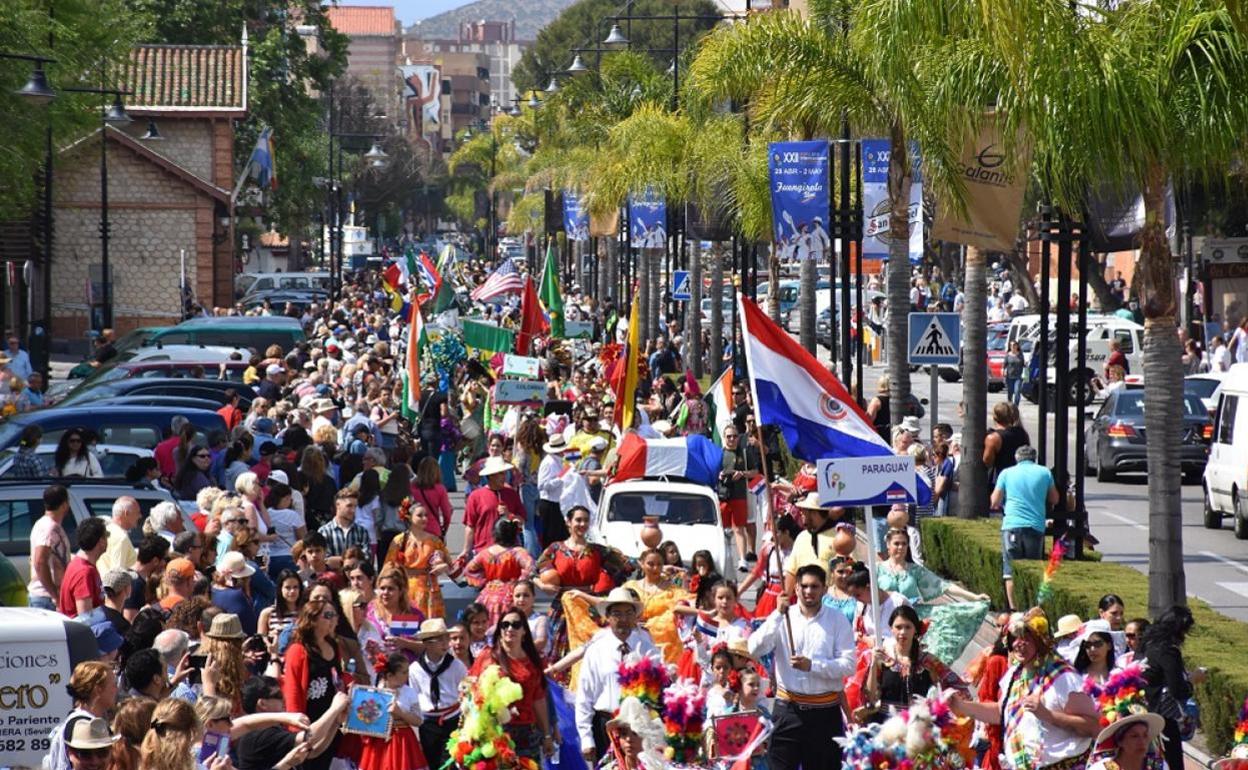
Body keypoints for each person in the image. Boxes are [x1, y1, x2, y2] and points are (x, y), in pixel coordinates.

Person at [950, 611, 1100, 770]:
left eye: (1027, 639)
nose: (1018, 644)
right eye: (1014, 638)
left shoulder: (1063, 678)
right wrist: (961, 706)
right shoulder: (1015, 674)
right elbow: (1001, 713)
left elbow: (1093, 727)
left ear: (1041, 641)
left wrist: (1048, 715)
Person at [748, 564, 855, 770]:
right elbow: (755, 648)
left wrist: (812, 665)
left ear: (824, 588)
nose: (808, 591)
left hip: (825, 713)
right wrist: (777, 614)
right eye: (804, 586)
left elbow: (848, 665)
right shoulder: (782, 617)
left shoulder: (837, 620)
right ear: (796, 588)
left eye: (814, 586)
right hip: (788, 710)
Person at [535, 505, 631, 674]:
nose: (582, 524)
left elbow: (627, 565)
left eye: (586, 520)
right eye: (578, 520)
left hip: (588, 604)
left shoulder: (597, 550)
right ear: (568, 522)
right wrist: (542, 584)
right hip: (561, 606)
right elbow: (531, 570)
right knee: (559, 648)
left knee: (588, 647)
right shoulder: (555, 548)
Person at [875, 527, 990, 664]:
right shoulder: (877, 569)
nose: (900, 547)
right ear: (888, 545)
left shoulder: (915, 570)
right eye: (896, 543)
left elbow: (942, 585)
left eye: (904, 544)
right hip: (884, 619)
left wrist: (973, 597)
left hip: (912, 618)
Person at [574, 587, 659, 763]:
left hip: (639, 729)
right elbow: (584, 696)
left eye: (629, 613)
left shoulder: (648, 648)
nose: (623, 619)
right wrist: (586, 737)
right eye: (617, 614)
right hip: (605, 726)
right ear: (608, 617)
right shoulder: (596, 650)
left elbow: (660, 690)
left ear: (635, 616)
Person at [856, 605, 968, 723]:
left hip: (918, 727)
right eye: (898, 627)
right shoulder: (882, 659)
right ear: (891, 629)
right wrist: (873, 665)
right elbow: (870, 697)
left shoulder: (928, 661)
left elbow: (957, 686)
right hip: (885, 727)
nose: (903, 632)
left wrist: (941, 705)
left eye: (908, 627)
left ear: (915, 630)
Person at [470, 608, 554, 763]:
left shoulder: (533, 662)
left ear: (524, 631)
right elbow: (471, 692)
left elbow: (539, 699)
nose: (510, 628)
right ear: (500, 629)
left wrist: (547, 734)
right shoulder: (488, 656)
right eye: (505, 624)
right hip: (494, 732)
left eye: (516, 625)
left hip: (527, 733)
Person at [992, 445, 1059, 610]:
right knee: (1032, 569)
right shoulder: (1045, 473)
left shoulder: (1006, 473)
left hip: (1011, 526)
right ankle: (1032, 608)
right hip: (1035, 526)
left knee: (1010, 571)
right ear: (1034, 458)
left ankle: (1014, 609)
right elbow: (1055, 498)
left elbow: (994, 501)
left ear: (1016, 458)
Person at [282, 599, 344, 770]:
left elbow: (338, 678)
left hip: (333, 720)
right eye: (328, 615)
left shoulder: (333, 644)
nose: (333, 620)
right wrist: (296, 731)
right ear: (314, 619)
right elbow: (292, 690)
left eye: (334, 615)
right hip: (311, 722)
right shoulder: (298, 650)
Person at [1141, 605, 1204, 770]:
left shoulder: (1146, 644)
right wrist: (1192, 680)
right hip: (1162, 719)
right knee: (1173, 762)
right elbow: (1177, 689)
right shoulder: (1168, 651)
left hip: (1140, 713)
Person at [407, 619, 467, 770]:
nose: (446, 643)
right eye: (439, 639)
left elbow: (465, 693)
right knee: (431, 763)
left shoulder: (456, 666)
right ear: (426, 644)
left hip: (452, 720)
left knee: (450, 764)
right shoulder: (415, 669)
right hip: (428, 723)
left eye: (447, 638)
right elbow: (415, 698)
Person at [359, 652, 429, 770]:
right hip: (379, 743)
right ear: (390, 675)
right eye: (404, 672)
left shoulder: (409, 692)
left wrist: (400, 713)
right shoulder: (375, 692)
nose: (408, 674)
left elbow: (418, 721)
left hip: (402, 742)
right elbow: (364, 723)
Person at [383, 499, 450, 619]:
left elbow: (449, 564)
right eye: (420, 515)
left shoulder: (435, 541)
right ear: (409, 517)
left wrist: (443, 566)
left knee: (430, 628)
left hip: (430, 588)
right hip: (407, 588)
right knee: (409, 626)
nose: (424, 518)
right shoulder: (400, 541)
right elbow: (389, 566)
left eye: (426, 515)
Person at [464, 518, 535, 629]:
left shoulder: (485, 553)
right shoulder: (517, 552)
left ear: (495, 534)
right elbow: (530, 567)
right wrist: (520, 583)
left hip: (487, 596)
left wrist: (483, 582)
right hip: (511, 596)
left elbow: (468, 570)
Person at [46, 661, 119, 770]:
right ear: (98, 690)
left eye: (102, 753)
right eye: (113, 685)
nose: (116, 689)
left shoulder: (74, 721)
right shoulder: (83, 726)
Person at [621, 548, 688, 664]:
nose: (655, 568)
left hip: (664, 644)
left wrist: (652, 624)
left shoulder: (673, 590)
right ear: (641, 563)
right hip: (633, 638)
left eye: (659, 564)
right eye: (650, 564)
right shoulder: (630, 586)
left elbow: (683, 608)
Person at [460, 455, 526, 561]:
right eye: (500, 473)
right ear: (490, 476)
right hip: (484, 551)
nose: (504, 476)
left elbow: (521, 521)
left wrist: (509, 515)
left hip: (509, 552)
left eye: (504, 473)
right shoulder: (475, 496)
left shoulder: (512, 494)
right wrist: (466, 550)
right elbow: (470, 526)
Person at [719, 425, 757, 569]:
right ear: (724, 438)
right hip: (723, 495)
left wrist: (742, 474)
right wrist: (721, 474)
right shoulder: (720, 453)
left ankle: (742, 559)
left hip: (740, 495)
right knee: (723, 529)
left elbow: (755, 471)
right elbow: (714, 470)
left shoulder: (745, 453)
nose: (732, 439)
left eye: (734, 436)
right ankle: (725, 558)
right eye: (729, 436)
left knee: (738, 528)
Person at [28, 483, 71, 610]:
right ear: (64, 505)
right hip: (46, 599)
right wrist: (55, 595)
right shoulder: (49, 528)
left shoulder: (43, 523)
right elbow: (40, 562)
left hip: (45, 597)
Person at [59, 516, 107, 617]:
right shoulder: (84, 572)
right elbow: (86, 617)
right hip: (81, 632)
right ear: (101, 541)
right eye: (106, 535)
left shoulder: (80, 564)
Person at [983, 402, 1030, 490]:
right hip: (1020, 479)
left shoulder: (993, 438)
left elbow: (987, 462)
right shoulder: (1023, 433)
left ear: (995, 417)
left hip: (1001, 482)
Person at [536, 434, 572, 547]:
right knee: (551, 538)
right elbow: (542, 485)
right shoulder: (548, 462)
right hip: (550, 503)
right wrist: (561, 478)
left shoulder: (559, 460)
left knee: (559, 536)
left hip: (557, 502)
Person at [317, 489, 371, 557]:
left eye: (355, 506)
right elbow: (325, 560)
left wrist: (337, 561)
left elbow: (366, 559)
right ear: (338, 505)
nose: (353, 510)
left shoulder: (362, 531)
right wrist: (353, 560)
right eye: (349, 506)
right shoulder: (324, 531)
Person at [410, 456, 453, 539]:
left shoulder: (411, 487)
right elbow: (446, 513)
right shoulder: (440, 489)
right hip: (433, 529)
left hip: (416, 529)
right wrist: (444, 527)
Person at [96, 496, 140, 574]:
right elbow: (117, 574)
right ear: (126, 513)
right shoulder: (120, 537)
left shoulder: (105, 530)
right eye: (137, 512)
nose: (140, 516)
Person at [1005, 340, 1026, 406]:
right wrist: (1004, 371)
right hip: (1009, 377)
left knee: (1017, 392)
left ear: (1017, 346)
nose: (1012, 346)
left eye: (1014, 345)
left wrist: (1026, 377)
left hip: (1018, 377)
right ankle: (1010, 406)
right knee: (1010, 392)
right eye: (1011, 345)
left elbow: (1025, 365)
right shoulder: (1008, 355)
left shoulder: (1021, 355)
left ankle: (1016, 407)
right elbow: (1004, 365)